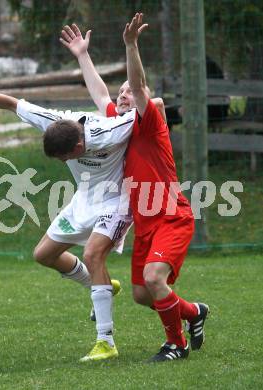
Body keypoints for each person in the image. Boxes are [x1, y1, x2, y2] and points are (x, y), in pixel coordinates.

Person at [0, 84, 136, 362]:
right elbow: (10, 102)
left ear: (79, 147)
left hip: (115, 202)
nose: (62, 162)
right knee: (43, 255)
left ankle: (106, 341)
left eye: (64, 157)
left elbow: (151, 112)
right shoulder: (55, 122)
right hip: (83, 200)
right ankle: (100, 285)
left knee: (92, 255)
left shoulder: (112, 132)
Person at [61, 14, 209, 362]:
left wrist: (131, 45)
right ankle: (194, 313)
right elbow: (99, 93)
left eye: (128, 91)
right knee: (143, 294)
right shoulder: (119, 126)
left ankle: (176, 345)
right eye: (121, 92)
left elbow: (141, 88)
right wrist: (83, 55)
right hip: (145, 223)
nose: (123, 95)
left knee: (154, 279)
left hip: (171, 215)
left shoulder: (149, 121)